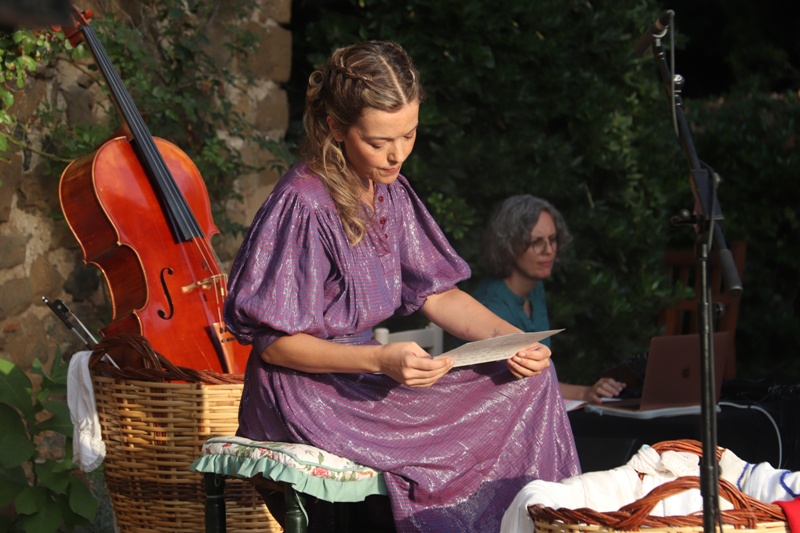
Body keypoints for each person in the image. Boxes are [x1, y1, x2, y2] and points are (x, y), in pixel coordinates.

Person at [224, 41, 580, 533]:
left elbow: (438, 293)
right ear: (335, 127)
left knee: (532, 381)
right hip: (304, 393)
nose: (396, 155)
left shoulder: (389, 191)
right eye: (378, 142)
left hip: (361, 378)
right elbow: (277, 345)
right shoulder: (304, 202)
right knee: (451, 445)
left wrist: (514, 341)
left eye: (408, 135)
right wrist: (380, 360)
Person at [472, 195, 626, 404]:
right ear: (508, 245)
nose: (549, 250)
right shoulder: (492, 303)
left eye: (552, 239)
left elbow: (537, 379)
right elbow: (518, 385)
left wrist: (588, 392)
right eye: (536, 242)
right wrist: (584, 392)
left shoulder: (535, 289)